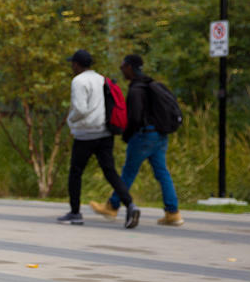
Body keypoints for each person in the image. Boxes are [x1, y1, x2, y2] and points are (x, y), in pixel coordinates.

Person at [91, 54, 184, 226]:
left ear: (129, 67)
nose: (121, 70)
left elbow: (134, 118)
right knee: (162, 173)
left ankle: (112, 206)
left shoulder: (136, 90)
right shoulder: (150, 85)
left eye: (122, 67)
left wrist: (126, 136)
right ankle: (173, 212)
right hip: (159, 136)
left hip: (143, 136)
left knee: (128, 172)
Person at [58, 49, 140, 228]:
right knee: (110, 171)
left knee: (76, 172)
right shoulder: (101, 78)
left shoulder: (78, 81)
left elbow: (80, 109)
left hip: (86, 134)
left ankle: (75, 212)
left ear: (76, 64)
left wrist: (70, 120)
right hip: (105, 133)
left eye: (73, 63)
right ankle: (130, 204)